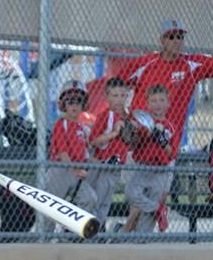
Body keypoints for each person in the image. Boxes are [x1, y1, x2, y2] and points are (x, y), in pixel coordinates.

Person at [119, 7, 213, 156]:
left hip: (167, 141)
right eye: (171, 37)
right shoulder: (145, 63)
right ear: (162, 41)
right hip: (139, 141)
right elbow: (116, 86)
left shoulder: (190, 65)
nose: (177, 41)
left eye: (180, 36)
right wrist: (123, 114)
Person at [41, 80, 98, 238]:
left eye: (78, 101)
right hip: (60, 172)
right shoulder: (62, 124)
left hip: (75, 173)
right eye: (70, 102)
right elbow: (63, 153)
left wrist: (103, 162)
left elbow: (86, 156)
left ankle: (69, 234)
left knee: (90, 199)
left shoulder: (82, 129)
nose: (74, 105)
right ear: (63, 105)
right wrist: (74, 170)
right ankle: (44, 240)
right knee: (52, 208)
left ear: (83, 104)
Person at [122, 84, 174, 234]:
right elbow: (132, 145)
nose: (158, 104)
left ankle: (142, 236)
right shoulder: (143, 122)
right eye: (154, 101)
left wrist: (161, 139)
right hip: (143, 168)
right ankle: (159, 209)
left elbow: (171, 153)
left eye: (162, 100)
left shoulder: (170, 126)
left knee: (145, 228)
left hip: (161, 171)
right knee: (131, 193)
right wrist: (134, 133)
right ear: (148, 104)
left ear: (168, 103)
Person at [87, 77, 130, 231]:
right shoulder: (106, 115)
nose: (119, 99)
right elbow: (93, 141)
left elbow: (129, 143)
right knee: (97, 199)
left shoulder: (127, 116)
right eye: (115, 95)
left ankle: (98, 230)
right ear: (107, 96)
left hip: (116, 166)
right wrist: (114, 133)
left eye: (122, 95)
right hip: (103, 164)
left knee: (106, 202)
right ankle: (89, 229)